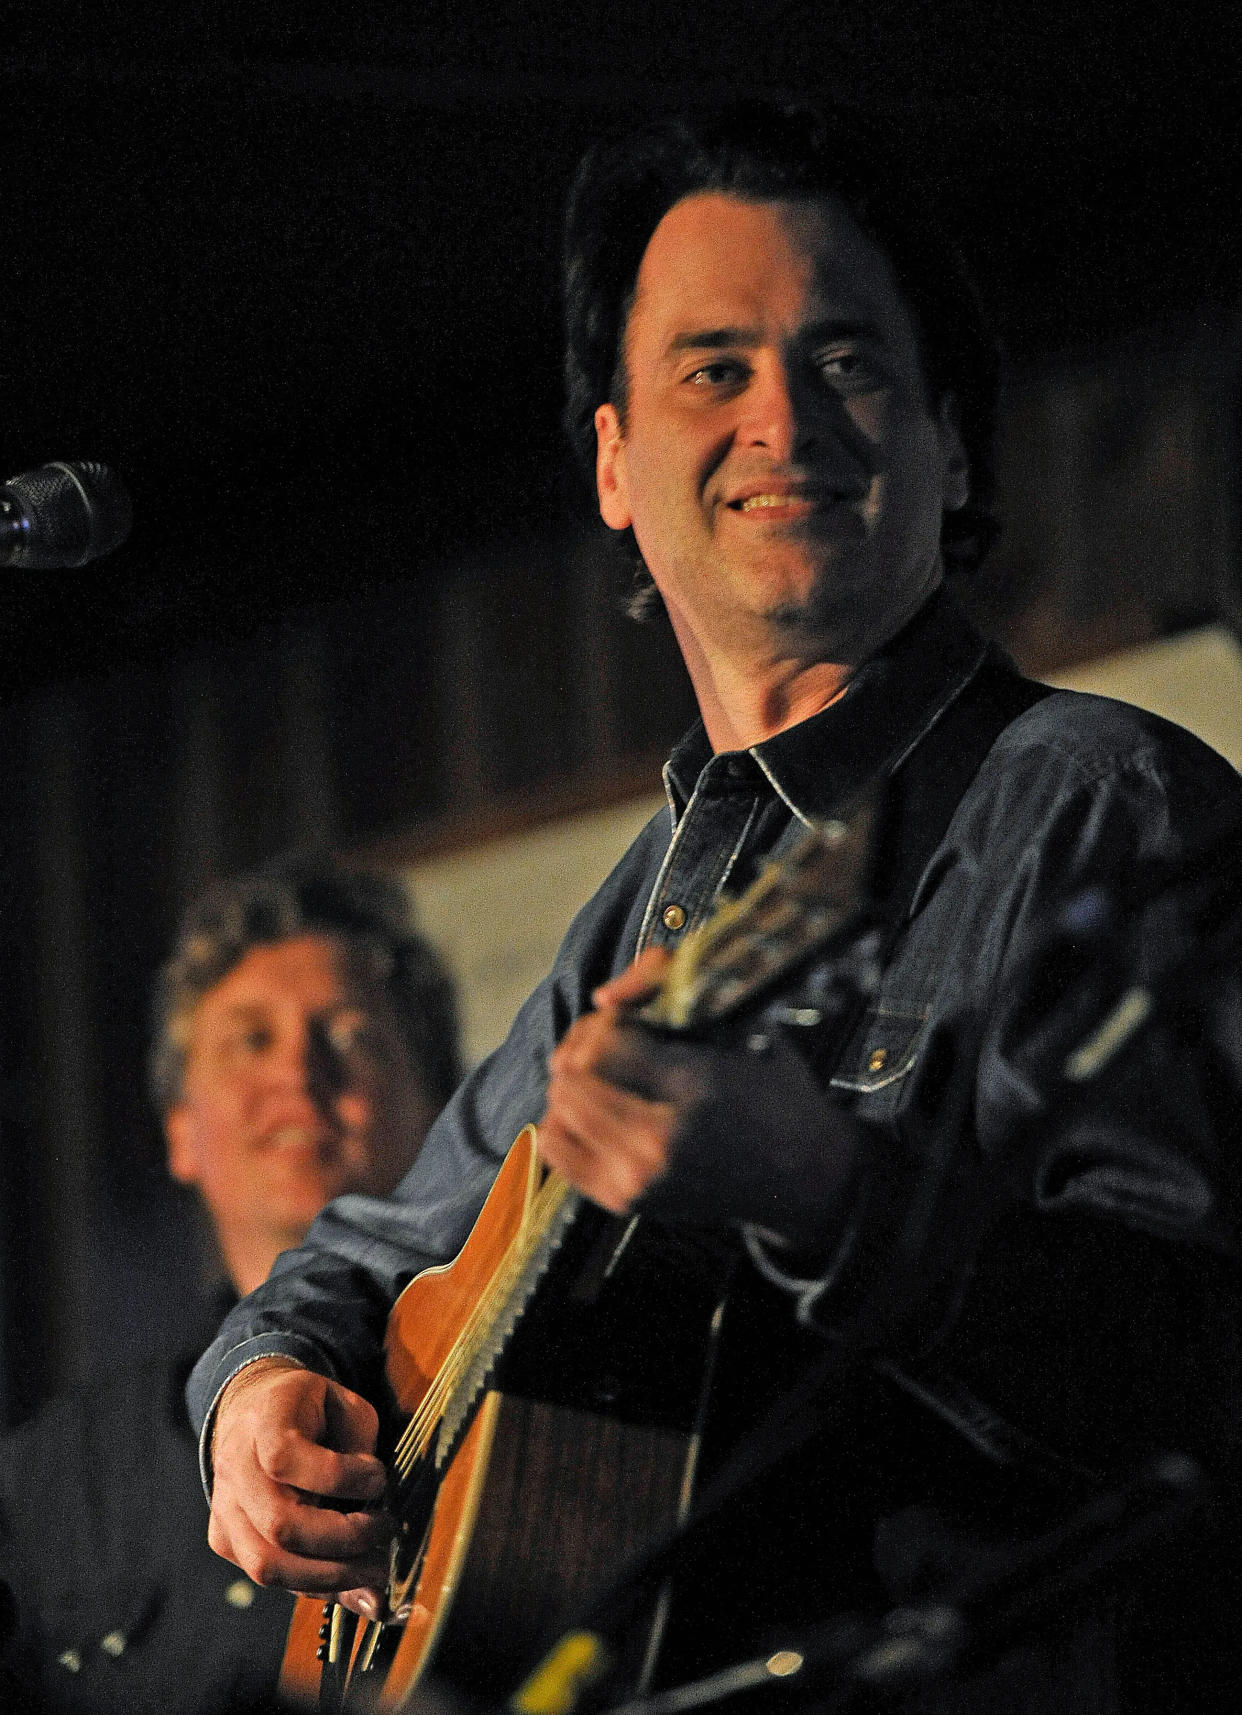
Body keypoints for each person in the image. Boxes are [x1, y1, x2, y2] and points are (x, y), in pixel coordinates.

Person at [190, 106, 1241, 1713]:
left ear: (953, 446)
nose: (781, 419)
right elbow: (373, 1247)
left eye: (845, 362)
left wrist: (830, 1186)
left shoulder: (1087, 797)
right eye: (711, 367)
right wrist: (258, 1393)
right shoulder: (645, 906)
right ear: (612, 462)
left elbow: (1203, 1372)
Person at [0, 855, 461, 1714]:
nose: (299, 1073)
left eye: (353, 1034)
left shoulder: (531, 1399)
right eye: (252, 1039)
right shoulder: (45, 1484)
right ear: (181, 1134)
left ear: (445, 1115)